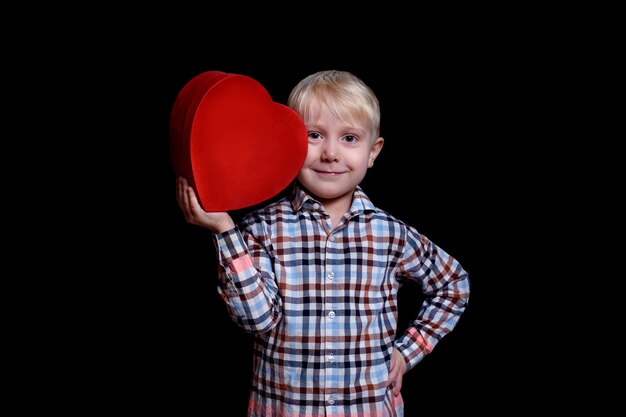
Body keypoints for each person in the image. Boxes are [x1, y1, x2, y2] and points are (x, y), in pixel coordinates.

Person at [176, 70, 470, 417]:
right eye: (314, 135)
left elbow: (453, 284)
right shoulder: (261, 229)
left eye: (349, 138)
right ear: (288, 142)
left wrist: (407, 352)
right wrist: (225, 231)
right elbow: (256, 320)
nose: (331, 153)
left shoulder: (391, 234)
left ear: (373, 152)